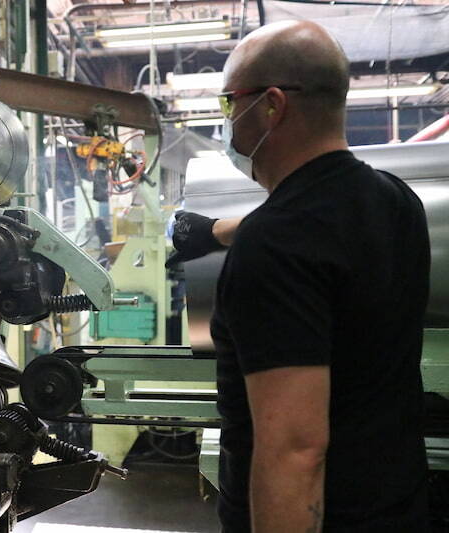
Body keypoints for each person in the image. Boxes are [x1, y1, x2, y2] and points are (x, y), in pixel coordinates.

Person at [172, 21, 431, 532]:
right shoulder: (398, 202)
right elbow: (325, 231)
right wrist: (219, 232)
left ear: (272, 105)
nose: (228, 122)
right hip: (399, 508)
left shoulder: (275, 246)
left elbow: (296, 451)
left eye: (230, 103)